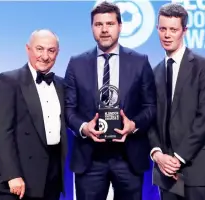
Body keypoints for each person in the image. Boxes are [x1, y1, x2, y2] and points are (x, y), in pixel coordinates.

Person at [64, 2, 156, 200]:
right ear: (92, 28)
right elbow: (69, 109)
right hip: (90, 159)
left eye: (110, 23)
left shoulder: (140, 62)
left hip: (128, 158)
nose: (104, 30)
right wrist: (83, 128)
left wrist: (134, 125)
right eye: (98, 24)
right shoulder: (76, 63)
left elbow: (150, 107)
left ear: (120, 26)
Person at [148, 3, 205, 200]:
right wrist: (157, 154)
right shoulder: (155, 72)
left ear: (184, 31)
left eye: (173, 29)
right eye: (163, 28)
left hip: (199, 167)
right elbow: (150, 119)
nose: (167, 35)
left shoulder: (204, 66)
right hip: (166, 173)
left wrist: (178, 158)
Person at [0, 29, 67, 200]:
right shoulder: (9, 81)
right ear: (28, 49)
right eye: (40, 49)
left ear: (57, 53)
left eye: (51, 50)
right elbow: (0, 132)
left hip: (51, 175)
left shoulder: (61, 85)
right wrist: (12, 175)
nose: (45, 56)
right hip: (19, 179)